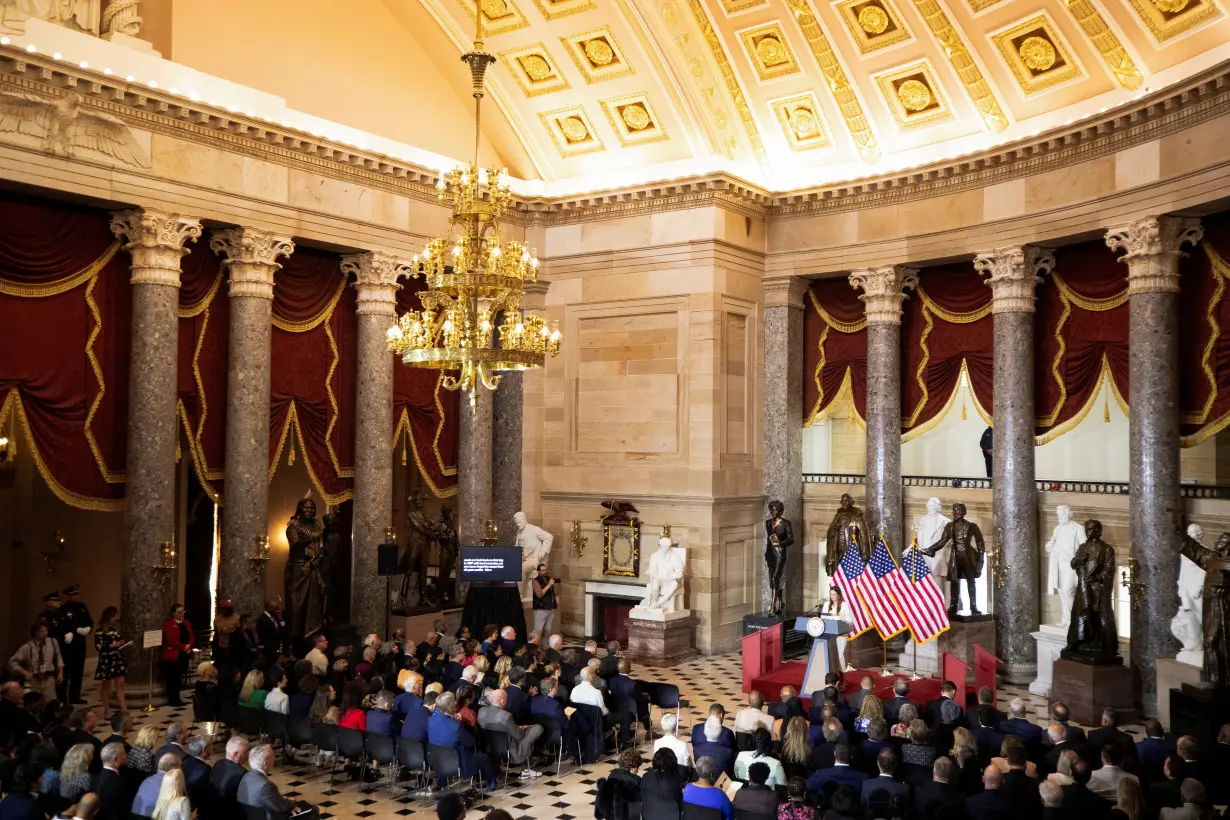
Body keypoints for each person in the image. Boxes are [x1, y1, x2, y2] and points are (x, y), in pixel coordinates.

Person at [428, 692, 495, 789]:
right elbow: (471, 742)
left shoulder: (431, 720)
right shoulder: (456, 726)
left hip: (438, 761)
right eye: (455, 701)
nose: (457, 702)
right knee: (484, 757)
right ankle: (491, 784)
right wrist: (459, 723)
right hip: (459, 764)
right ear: (450, 707)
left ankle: (441, 783)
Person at [237, 743, 318, 820]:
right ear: (266, 762)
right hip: (269, 816)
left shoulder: (246, 776)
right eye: (272, 756)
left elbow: (272, 800)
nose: (274, 758)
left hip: (251, 815)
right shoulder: (265, 786)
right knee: (312, 809)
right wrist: (292, 803)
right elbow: (281, 806)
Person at [477, 688, 543, 777]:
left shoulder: (481, 711)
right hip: (509, 749)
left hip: (489, 747)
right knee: (537, 729)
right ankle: (525, 770)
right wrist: (524, 728)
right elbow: (518, 735)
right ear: (503, 701)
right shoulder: (506, 716)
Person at [8, 621, 64, 702]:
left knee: (51, 702)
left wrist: (61, 672)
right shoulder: (27, 647)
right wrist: (24, 672)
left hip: (49, 678)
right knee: (35, 702)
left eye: (46, 631)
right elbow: (12, 661)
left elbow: (59, 657)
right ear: (35, 633)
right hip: (34, 679)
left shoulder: (52, 642)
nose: (45, 633)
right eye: (42, 631)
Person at [89, 607, 127, 720]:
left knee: (120, 684)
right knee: (106, 686)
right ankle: (107, 710)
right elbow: (99, 647)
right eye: (113, 617)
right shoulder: (100, 631)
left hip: (117, 659)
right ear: (108, 617)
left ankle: (124, 708)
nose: (115, 619)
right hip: (106, 661)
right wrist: (112, 645)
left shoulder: (115, 630)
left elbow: (119, 640)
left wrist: (120, 644)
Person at [159, 605, 194, 708]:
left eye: (183, 612)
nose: (181, 614)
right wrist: (183, 647)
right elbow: (172, 640)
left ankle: (177, 697)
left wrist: (189, 646)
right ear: (173, 614)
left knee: (179, 676)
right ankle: (173, 699)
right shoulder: (169, 625)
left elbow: (191, 636)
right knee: (173, 677)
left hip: (183, 653)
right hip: (173, 654)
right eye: (179, 612)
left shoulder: (186, 623)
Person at [594, 749, 642, 820]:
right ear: (632, 767)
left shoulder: (612, 775)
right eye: (637, 767)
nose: (638, 770)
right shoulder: (635, 780)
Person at [208, 735, 248, 808]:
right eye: (245, 752)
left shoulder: (218, 763)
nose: (247, 755)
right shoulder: (242, 773)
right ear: (236, 754)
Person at [779, 716, 813, 781]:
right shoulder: (810, 748)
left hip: (786, 781)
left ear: (789, 729)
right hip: (804, 783)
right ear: (805, 730)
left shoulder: (781, 746)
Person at [530, 563, 559, 639]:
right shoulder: (535, 581)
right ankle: (534, 648)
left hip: (550, 607)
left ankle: (545, 648)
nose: (545, 571)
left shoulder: (549, 579)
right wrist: (549, 585)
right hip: (541, 608)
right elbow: (539, 594)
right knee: (538, 630)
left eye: (546, 570)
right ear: (538, 572)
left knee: (547, 630)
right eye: (543, 570)